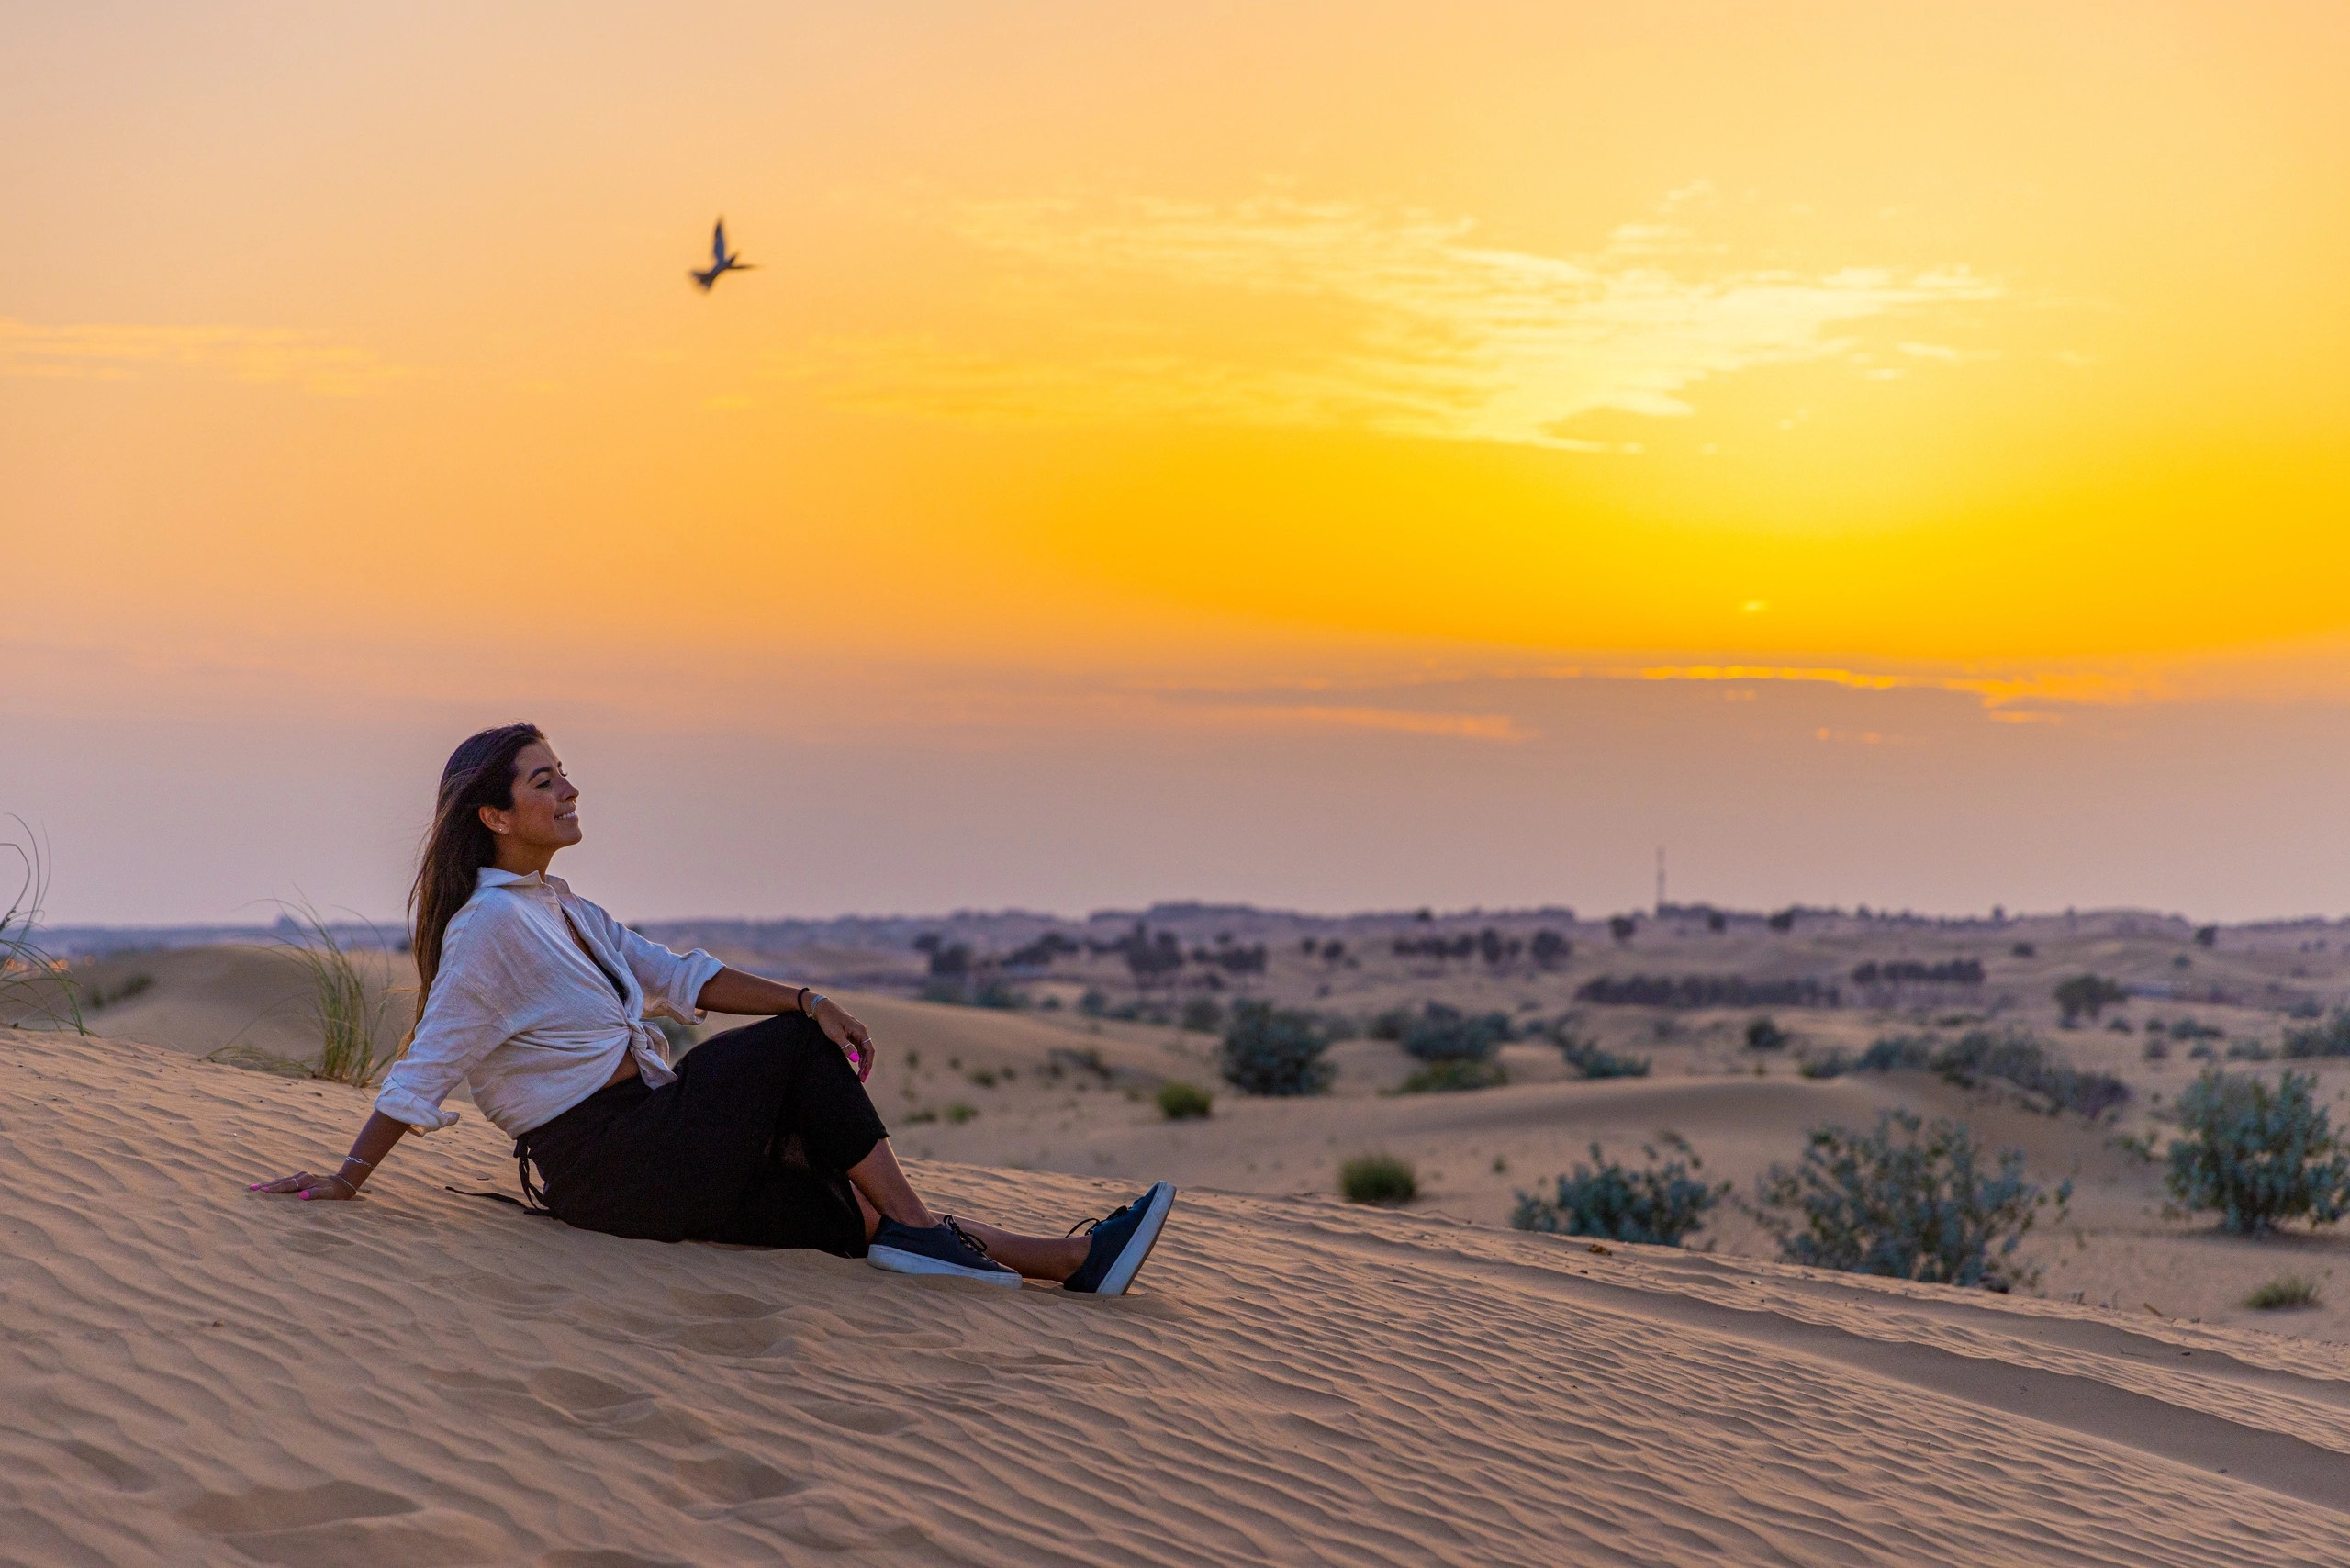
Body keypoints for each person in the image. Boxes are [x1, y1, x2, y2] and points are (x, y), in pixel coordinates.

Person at [251, 722, 1174, 1296]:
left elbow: (678, 975)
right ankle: (923, 1232)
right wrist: (347, 1174)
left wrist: (810, 995)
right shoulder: (488, 928)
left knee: (839, 1209)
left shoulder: (564, 908)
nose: (569, 789)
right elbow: (431, 1056)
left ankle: (1064, 1260)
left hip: (650, 1156)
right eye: (544, 780)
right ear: (495, 816)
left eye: (563, 772)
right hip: (610, 1157)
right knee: (786, 1055)